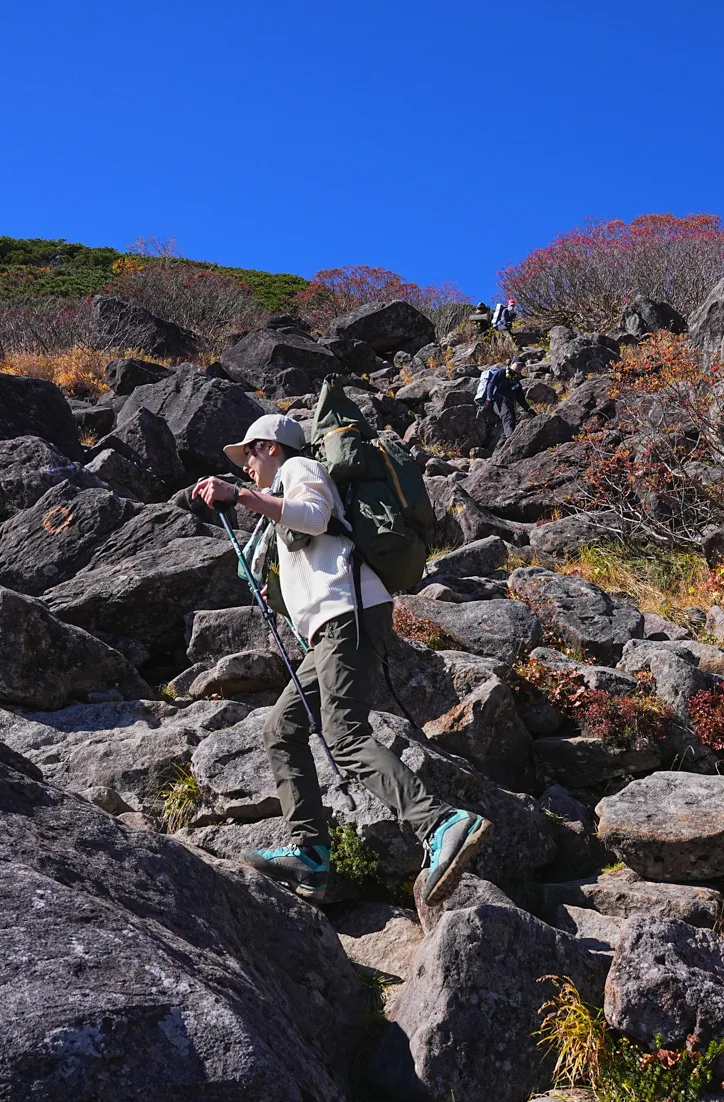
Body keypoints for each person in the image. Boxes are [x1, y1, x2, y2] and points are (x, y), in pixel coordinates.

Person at [192, 414, 493, 905]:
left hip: (348, 616)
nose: (245, 465)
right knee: (281, 729)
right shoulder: (282, 496)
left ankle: (442, 822)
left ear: (271, 447)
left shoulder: (301, 470)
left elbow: (311, 516)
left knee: (345, 734)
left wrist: (240, 497)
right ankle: (310, 853)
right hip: (333, 626)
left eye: (248, 452)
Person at [479, 362, 536, 441]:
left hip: (508, 404)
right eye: (518, 364)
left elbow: (521, 399)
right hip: (498, 401)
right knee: (509, 418)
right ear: (512, 363)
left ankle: (500, 451)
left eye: (522, 366)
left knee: (507, 426)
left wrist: (529, 409)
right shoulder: (503, 372)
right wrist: (489, 397)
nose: (520, 367)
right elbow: (491, 383)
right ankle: (512, 442)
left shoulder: (516, 382)